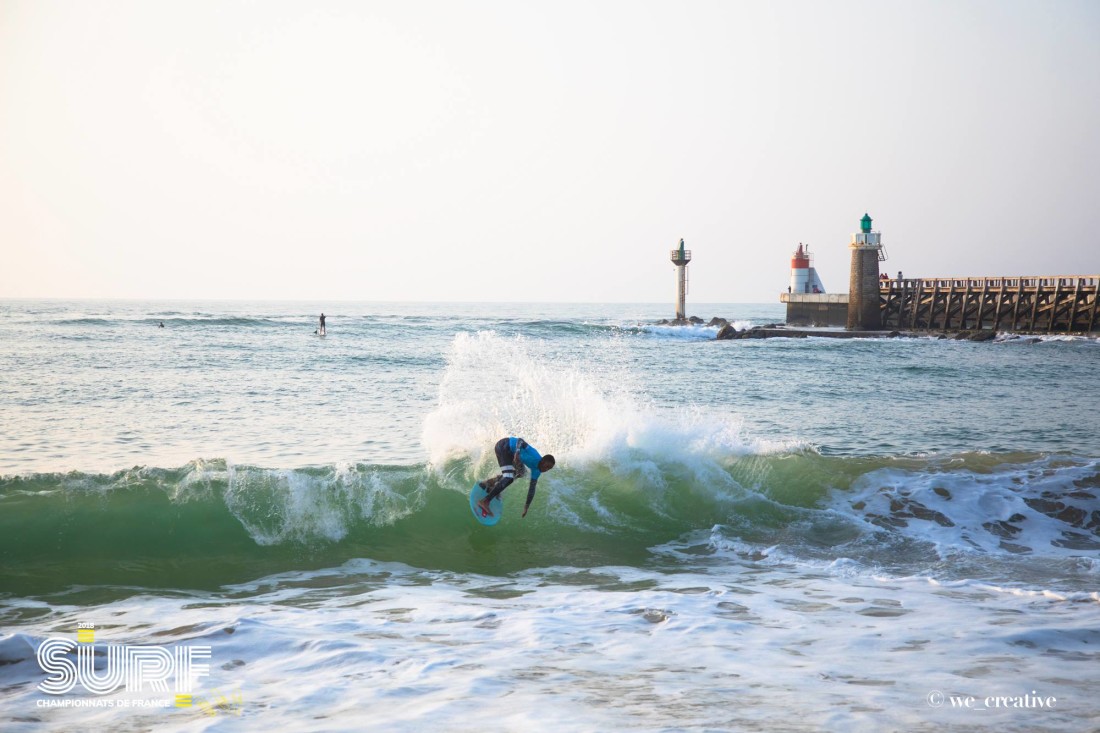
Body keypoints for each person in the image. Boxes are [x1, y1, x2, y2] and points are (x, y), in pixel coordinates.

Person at [477, 437, 555, 519]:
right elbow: (520, 440)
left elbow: (532, 489)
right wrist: (517, 451)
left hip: (511, 454)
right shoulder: (534, 454)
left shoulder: (537, 471)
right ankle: (485, 502)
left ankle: (490, 483)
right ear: (542, 461)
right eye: (546, 466)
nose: (546, 469)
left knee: (521, 473)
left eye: (548, 468)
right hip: (504, 446)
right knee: (509, 478)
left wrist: (526, 506)